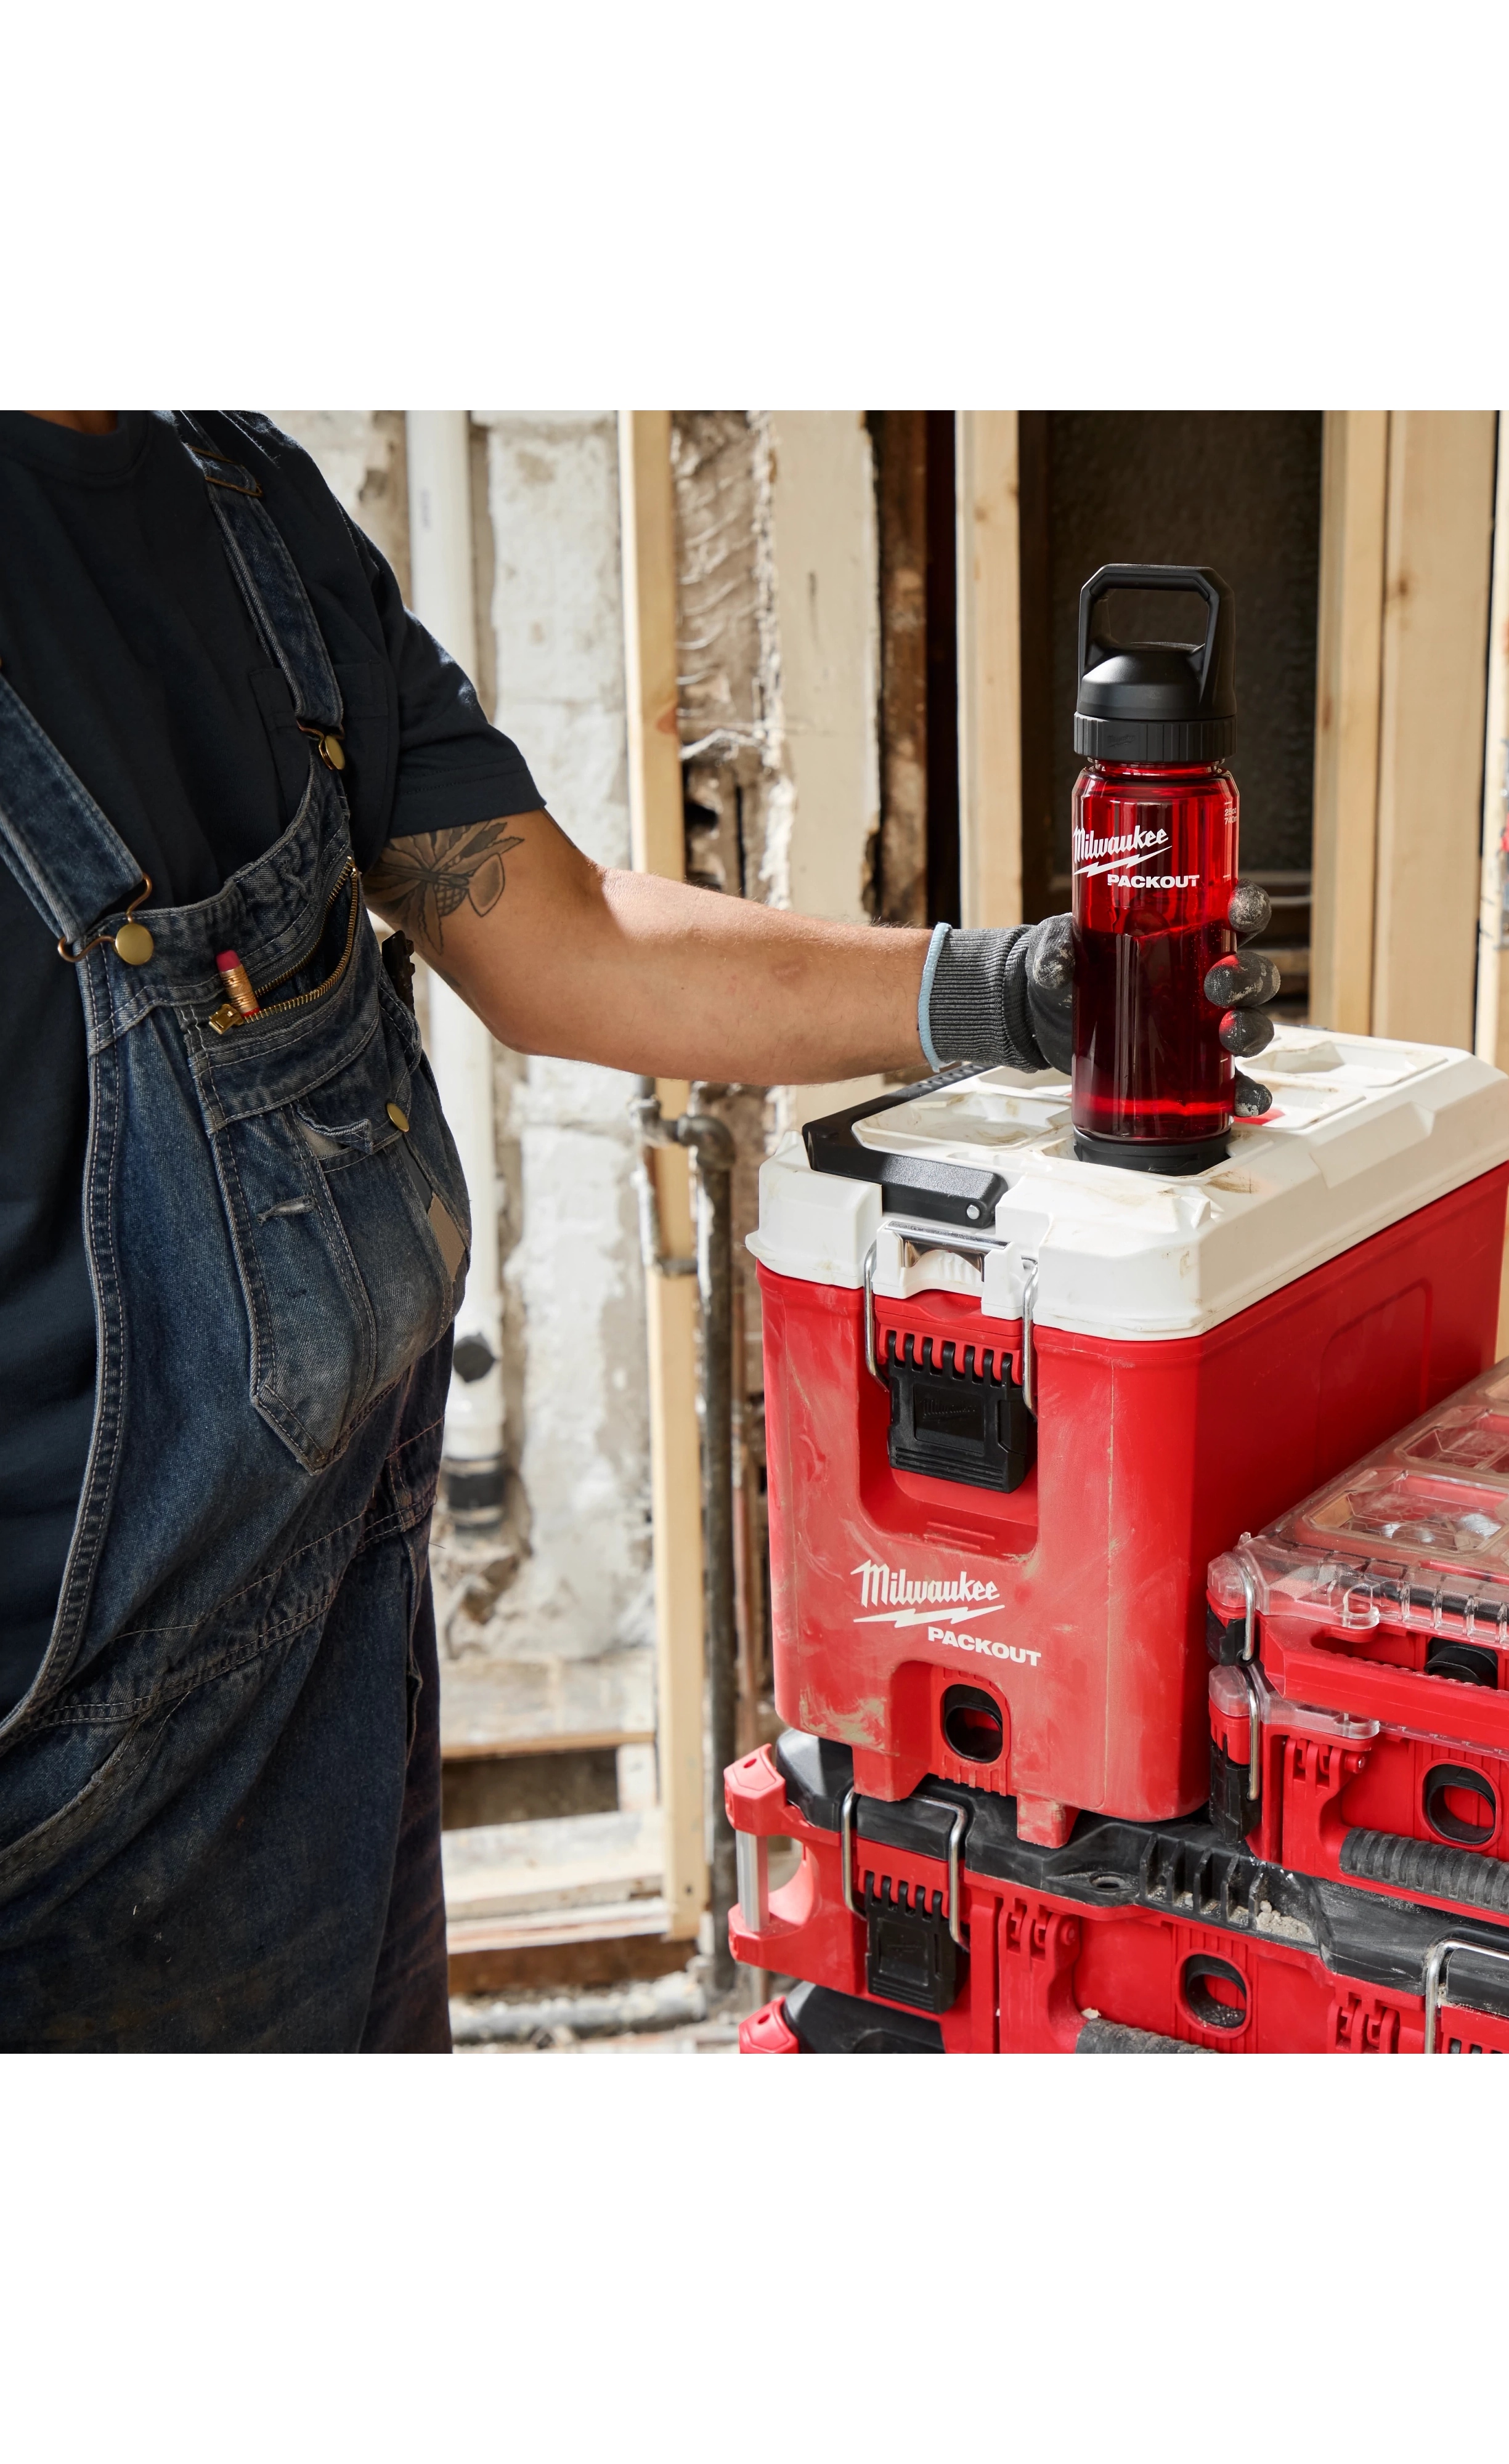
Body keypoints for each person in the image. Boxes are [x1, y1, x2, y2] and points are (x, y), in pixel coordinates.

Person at [0, 407, 1274, 2053]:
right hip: (66, 1779)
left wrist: (1015, 991)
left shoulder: (244, 506)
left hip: (327, 1661)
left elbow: (564, 939)